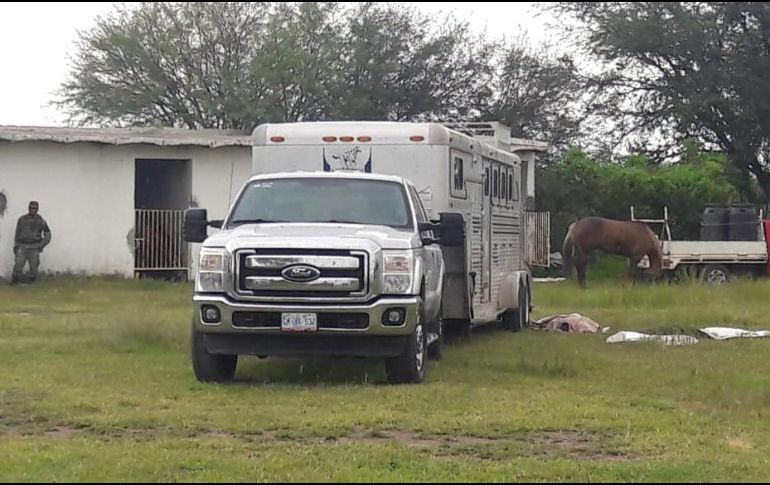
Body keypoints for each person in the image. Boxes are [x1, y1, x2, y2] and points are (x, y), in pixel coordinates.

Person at [12, 201, 51, 284]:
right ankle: (15, 281)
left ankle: (32, 283)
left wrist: (41, 245)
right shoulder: (22, 219)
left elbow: (48, 234)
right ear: (28, 208)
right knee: (18, 264)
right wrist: (16, 245)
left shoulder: (41, 220)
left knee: (34, 266)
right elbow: (17, 233)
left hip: (34, 247)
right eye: (31, 208)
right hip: (23, 246)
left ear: (37, 209)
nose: (32, 210)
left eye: (34, 208)